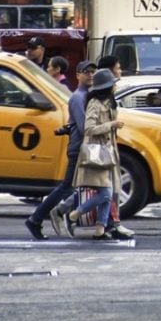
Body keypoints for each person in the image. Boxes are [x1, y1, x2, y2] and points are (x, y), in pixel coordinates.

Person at [26, 60, 95, 240]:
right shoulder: (78, 97)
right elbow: (82, 126)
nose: (90, 75)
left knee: (79, 187)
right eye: (86, 71)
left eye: (93, 72)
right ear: (78, 75)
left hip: (83, 147)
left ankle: (60, 216)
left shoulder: (88, 96)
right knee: (67, 187)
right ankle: (37, 218)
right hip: (79, 148)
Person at [61, 69, 123, 240]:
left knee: (108, 191)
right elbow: (89, 129)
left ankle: (100, 230)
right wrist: (111, 125)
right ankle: (74, 214)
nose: (115, 87)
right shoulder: (95, 103)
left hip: (107, 152)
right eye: (113, 84)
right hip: (97, 153)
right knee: (105, 193)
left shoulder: (109, 102)